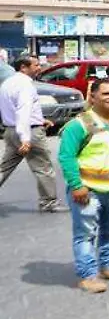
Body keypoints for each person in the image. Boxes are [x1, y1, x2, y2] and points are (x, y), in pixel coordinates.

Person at [58, 78, 109, 293]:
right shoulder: (80, 124)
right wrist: (76, 185)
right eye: (105, 94)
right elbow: (66, 156)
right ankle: (88, 275)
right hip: (88, 190)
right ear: (93, 97)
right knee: (85, 234)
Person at [0, 54, 65, 212]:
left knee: (4, 167)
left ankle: (48, 201)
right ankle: (49, 202)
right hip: (28, 132)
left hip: (11, 130)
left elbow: (13, 109)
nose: (39, 68)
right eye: (35, 65)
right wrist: (26, 138)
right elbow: (23, 111)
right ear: (24, 67)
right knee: (43, 168)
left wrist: (40, 120)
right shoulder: (25, 85)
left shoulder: (8, 83)